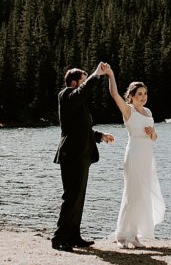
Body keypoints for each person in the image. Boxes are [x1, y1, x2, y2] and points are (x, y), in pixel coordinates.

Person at [52, 62, 116, 252]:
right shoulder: (66, 95)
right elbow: (82, 93)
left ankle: (73, 236)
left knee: (79, 198)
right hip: (71, 155)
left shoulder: (77, 103)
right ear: (73, 83)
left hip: (82, 155)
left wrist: (100, 137)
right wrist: (96, 75)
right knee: (71, 197)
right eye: (83, 79)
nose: (86, 82)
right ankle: (59, 239)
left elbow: (82, 129)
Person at [106, 67, 165, 248]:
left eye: (145, 93)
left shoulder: (148, 112)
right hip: (134, 154)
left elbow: (154, 138)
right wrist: (111, 74)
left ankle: (135, 234)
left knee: (142, 195)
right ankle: (122, 235)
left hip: (147, 156)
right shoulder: (128, 111)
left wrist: (152, 133)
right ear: (131, 96)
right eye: (139, 93)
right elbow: (114, 94)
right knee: (131, 194)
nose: (143, 96)